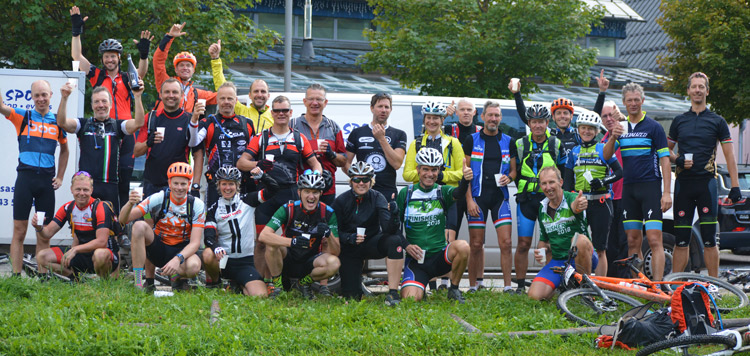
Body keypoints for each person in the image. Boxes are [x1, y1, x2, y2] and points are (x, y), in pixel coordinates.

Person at [70, 6, 152, 212]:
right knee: (97, 180)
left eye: (113, 56)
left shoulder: (126, 77)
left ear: (119, 58)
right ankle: (93, 219)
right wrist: (76, 32)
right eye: (106, 56)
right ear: (103, 58)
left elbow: (141, 73)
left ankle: (122, 226)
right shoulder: (97, 75)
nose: (110, 59)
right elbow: (76, 56)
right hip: (103, 131)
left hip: (125, 129)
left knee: (124, 180)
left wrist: (144, 54)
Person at [237, 95, 322, 288]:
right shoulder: (262, 137)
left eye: (285, 110)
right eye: (277, 111)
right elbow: (241, 162)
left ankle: (283, 281)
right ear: (271, 112)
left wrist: (317, 177)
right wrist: (258, 163)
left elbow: (315, 163)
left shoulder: (299, 138)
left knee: (286, 241)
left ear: (291, 113)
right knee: (260, 242)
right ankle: (259, 282)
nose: (281, 114)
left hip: (291, 193)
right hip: (266, 194)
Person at [668, 72, 741, 277]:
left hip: (707, 184)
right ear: (688, 91)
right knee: (681, 239)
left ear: (707, 91)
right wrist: (678, 160)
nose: (697, 90)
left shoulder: (717, 121)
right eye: (694, 87)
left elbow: (729, 155)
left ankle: (714, 285)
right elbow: (666, 151)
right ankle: (675, 287)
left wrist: (735, 186)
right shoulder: (679, 121)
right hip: (683, 185)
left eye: (701, 87)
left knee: (709, 239)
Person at [0, 80, 70, 276]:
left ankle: (42, 275)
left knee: (43, 233)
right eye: (37, 95)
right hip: (25, 180)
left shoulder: (58, 120)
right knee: (19, 231)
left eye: (44, 94)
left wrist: (61, 176)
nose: (41, 99)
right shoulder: (23, 116)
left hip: (45, 184)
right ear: (32, 97)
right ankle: (15, 277)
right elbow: (1, 107)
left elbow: (65, 150)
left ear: (51, 96)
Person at [603, 82, 671, 282]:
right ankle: (639, 285)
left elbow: (665, 161)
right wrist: (612, 138)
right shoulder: (620, 127)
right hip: (629, 190)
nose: (633, 103)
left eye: (636, 100)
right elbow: (607, 156)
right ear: (624, 103)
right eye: (629, 100)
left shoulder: (654, 127)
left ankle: (657, 286)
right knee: (632, 241)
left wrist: (666, 193)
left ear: (642, 101)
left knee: (654, 239)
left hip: (650, 188)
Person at [56, 81, 146, 212]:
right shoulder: (83, 124)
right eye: (97, 102)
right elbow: (62, 122)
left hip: (110, 186)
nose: (101, 105)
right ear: (92, 105)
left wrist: (137, 97)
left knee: (110, 229)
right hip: (86, 186)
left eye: (104, 101)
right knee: (84, 227)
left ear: (110, 104)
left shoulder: (117, 125)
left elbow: (138, 123)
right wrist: (64, 98)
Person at [398, 147, 472, 304]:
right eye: (425, 169)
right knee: (411, 300)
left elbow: (458, 193)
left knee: (463, 246)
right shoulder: (406, 193)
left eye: (434, 170)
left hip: (439, 257)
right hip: (416, 260)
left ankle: (454, 289)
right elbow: (394, 228)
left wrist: (465, 180)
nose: (430, 174)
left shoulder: (442, 191)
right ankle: (420, 287)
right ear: (418, 170)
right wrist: (406, 245)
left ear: (439, 171)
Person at [120, 162, 206, 290]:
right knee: (138, 226)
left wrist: (177, 259)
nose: (179, 188)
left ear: (189, 185)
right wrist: (129, 203)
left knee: (194, 266)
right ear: (169, 183)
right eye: (176, 183)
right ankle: (139, 282)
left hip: (181, 249)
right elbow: (123, 220)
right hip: (159, 247)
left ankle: (176, 277)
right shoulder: (159, 197)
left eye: (183, 184)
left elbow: (195, 243)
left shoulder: (196, 205)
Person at [511, 103, 566, 294]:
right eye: (534, 122)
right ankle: (519, 285)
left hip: (548, 200)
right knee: (524, 244)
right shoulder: (520, 144)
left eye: (541, 122)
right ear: (529, 123)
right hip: (527, 199)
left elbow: (563, 171)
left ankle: (552, 284)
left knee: (551, 243)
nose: (538, 126)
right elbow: (514, 170)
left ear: (547, 122)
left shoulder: (556, 144)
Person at [259, 172, 340, 300]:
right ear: (299, 193)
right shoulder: (288, 208)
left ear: (321, 194)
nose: (311, 196)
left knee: (334, 263)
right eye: (307, 191)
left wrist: (328, 235)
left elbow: (335, 251)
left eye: (315, 192)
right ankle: (277, 286)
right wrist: (292, 242)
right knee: (272, 244)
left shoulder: (328, 212)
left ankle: (304, 283)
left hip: (310, 262)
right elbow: (264, 236)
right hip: (288, 259)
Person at [202, 166, 280, 296]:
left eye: (231, 184)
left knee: (259, 295)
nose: (227, 188)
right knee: (207, 254)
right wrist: (215, 247)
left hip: (245, 262)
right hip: (224, 261)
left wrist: (262, 175)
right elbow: (208, 236)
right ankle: (216, 283)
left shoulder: (248, 200)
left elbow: (274, 189)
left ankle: (237, 285)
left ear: (237, 185)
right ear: (219, 185)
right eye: (224, 184)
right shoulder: (214, 209)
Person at [463, 101, 515, 293]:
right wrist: (468, 200)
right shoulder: (471, 140)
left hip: (499, 198)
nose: (493, 119)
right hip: (478, 197)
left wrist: (508, 177)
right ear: (483, 117)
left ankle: (508, 286)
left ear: (500, 118)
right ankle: (473, 285)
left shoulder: (508, 141)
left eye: (497, 115)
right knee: (476, 244)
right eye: (490, 115)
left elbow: (514, 171)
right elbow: (465, 173)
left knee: (506, 243)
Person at [333, 162, 403, 304]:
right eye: (357, 179)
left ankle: (393, 293)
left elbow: (389, 230)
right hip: (350, 248)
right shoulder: (341, 201)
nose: (361, 183)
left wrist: (395, 216)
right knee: (352, 297)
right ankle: (355, 286)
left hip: (372, 243)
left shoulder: (378, 197)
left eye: (365, 179)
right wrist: (349, 238)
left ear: (371, 182)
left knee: (395, 241)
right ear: (351, 182)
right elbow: (333, 232)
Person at [563, 112, 622, 277]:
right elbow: (567, 183)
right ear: (578, 129)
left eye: (591, 129)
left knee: (601, 249)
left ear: (597, 131)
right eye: (583, 128)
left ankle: (600, 286)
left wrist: (604, 182)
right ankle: (580, 282)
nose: (587, 131)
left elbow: (619, 172)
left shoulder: (603, 149)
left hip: (601, 203)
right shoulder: (574, 152)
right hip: (580, 203)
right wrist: (568, 202)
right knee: (576, 245)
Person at [33, 171, 121, 279]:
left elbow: (102, 242)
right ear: (71, 189)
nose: (82, 193)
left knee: (100, 254)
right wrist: (39, 228)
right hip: (81, 254)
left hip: (104, 254)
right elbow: (47, 234)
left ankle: (106, 283)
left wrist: (75, 249)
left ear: (92, 190)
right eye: (78, 189)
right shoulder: (68, 208)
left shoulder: (100, 207)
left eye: (86, 190)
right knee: (42, 256)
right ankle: (75, 280)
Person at [527, 166, 598, 301]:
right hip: (559, 261)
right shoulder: (542, 208)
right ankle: (563, 287)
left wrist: (579, 204)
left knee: (580, 240)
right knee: (535, 296)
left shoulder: (571, 198)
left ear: (561, 182)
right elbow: (544, 239)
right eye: (544, 183)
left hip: (582, 257)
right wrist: (541, 249)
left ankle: (586, 291)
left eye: (551, 182)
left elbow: (576, 207)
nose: (548, 187)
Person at [189, 81, 255, 206]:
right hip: (216, 185)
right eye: (222, 98)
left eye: (230, 98)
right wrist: (194, 119)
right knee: (213, 222)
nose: (226, 102)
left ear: (236, 100)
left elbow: (254, 153)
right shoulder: (208, 122)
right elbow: (193, 142)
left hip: (242, 184)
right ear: (217, 101)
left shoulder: (247, 123)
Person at [134, 78, 201, 196]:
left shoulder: (190, 120)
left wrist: (195, 185)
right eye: (167, 92)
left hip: (178, 184)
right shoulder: (151, 118)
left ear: (181, 95)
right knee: (151, 215)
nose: (171, 95)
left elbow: (198, 154)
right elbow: (137, 151)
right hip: (152, 183)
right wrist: (148, 143)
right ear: (160, 95)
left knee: (177, 215)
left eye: (175, 92)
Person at [290, 84, 346, 205]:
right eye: (311, 99)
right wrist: (304, 154)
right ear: (304, 101)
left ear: (325, 102)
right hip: (300, 189)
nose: (315, 103)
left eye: (319, 99)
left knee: (325, 223)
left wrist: (331, 154)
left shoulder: (333, 126)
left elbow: (343, 161)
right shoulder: (293, 125)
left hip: (327, 189)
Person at [344, 92, 407, 201]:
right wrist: (358, 179)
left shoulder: (399, 134)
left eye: (387, 107)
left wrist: (381, 139)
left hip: (387, 191)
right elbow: (345, 162)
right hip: (363, 190)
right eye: (380, 106)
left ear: (391, 110)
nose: (383, 110)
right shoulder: (357, 133)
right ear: (372, 108)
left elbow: (397, 164)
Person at [510, 80, 577, 172]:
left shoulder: (578, 134)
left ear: (571, 116)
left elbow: (591, 125)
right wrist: (517, 94)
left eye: (565, 113)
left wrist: (601, 92)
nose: (562, 116)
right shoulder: (549, 133)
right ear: (553, 117)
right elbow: (528, 118)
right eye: (559, 113)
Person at [208, 40, 274, 132]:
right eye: (256, 91)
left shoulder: (275, 117)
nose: (259, 94)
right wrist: (215, 59)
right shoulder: (242, 111)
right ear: (249, 95)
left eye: (263, 91)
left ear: (268, 95)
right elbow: (222, 86)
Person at [153, 22, 217, 113]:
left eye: (188, 65)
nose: (185, 68)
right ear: (176, 70)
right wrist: (169, 37)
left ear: (193, 70)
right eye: (181, 65)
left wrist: (216, 58)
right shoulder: (165, 82)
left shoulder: (195, 93)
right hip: (162, 125)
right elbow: (158, 61)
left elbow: (221, 97)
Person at [600, 101, 629, 278]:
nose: (609, 119)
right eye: (605, 116)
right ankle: (611, 282)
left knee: (626, 242)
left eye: (612, 115)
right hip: (608, 197)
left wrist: (624, 120)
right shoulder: (602, 140)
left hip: (627, 195)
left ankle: (625, 282)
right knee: (609, 243)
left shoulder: (627, 133)